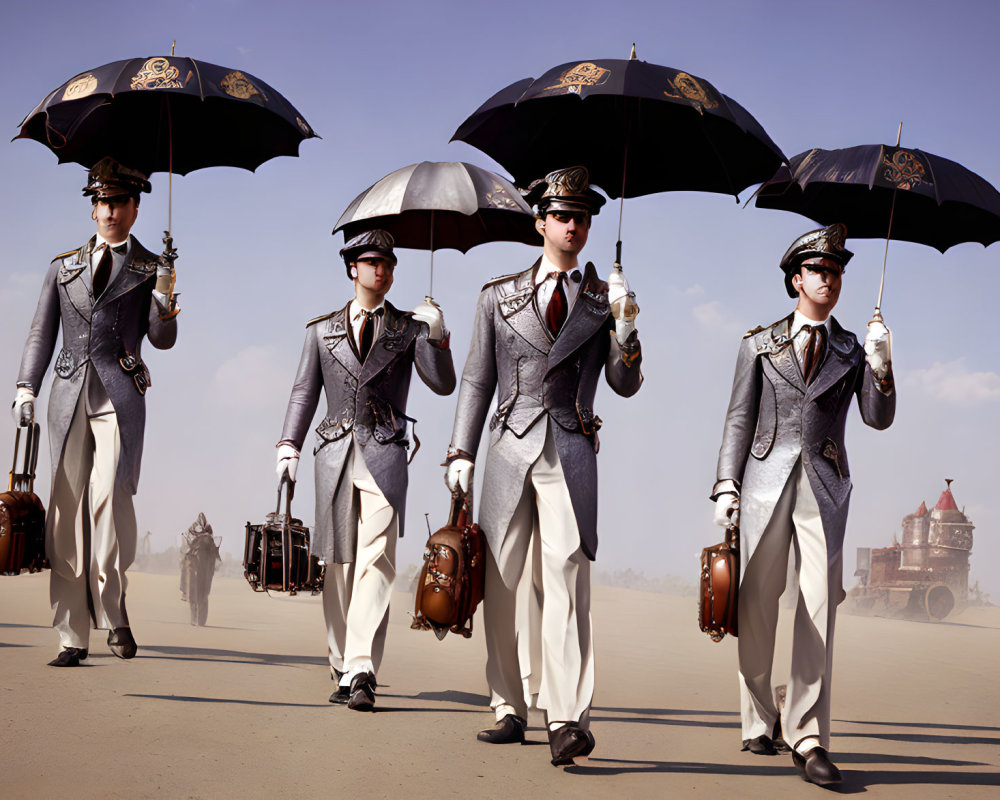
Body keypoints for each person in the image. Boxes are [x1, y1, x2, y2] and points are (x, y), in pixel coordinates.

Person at [444, 166, 643, 766]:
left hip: (572, 445)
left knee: (568, 579)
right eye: (563, 215)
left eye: (583, 217)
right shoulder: (495, 295)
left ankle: (566, 718)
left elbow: (624, 384)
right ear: (540, 222)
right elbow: (477, 380)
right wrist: (460, 452)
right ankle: (508, 706)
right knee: (502, 579)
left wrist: (626, 328)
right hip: (507, 444)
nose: (574, 226)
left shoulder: (602, 300)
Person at [711, 223, 895, 787]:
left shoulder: (851, 347)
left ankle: (809, 734)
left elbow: (877, 417)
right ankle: (758, 718)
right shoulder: (758, 343)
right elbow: (739, 418)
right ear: (797, 279)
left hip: (826, 483)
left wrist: (882, 364)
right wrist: (725, 484)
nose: (830, 280)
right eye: (820, 270)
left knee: (818, 603)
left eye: (837, 272)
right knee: (758, 601)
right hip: (764, 480)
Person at [276, 229, 455, 711]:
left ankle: (361, 669)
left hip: (386, 453)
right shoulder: (321, 330)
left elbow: (442, 385)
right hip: (332, 452)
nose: (383, 271)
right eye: (373, 262)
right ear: (353, 268)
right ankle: (340, 660)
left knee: (377, 559)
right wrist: (288, 443)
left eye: (389, 263)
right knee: (337, 564)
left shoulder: (410, 328)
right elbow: (302, 392)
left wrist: (437, 338)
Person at [13, 156, 179, 667]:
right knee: (65, 511)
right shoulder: (62, 267)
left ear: (135, 209)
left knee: (111, 502)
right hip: (66, 394)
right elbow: (43, 332)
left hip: (119, 397)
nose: (109, 212)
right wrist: (26, 388)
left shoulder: (153, 265)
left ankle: (115, 607)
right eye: (101, 203)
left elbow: (163, 340)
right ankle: (71, 636)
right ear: (93, 210)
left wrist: (166, 295)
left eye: (119, 203)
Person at [180, 512, 221, 626]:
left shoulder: (209, 540)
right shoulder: (191, 538)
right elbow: (186, 552)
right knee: (193, 594)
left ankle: (201, 621)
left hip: (205, 571)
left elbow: (214, 554)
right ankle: (195, 619)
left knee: (203, 595)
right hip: (193, 570)